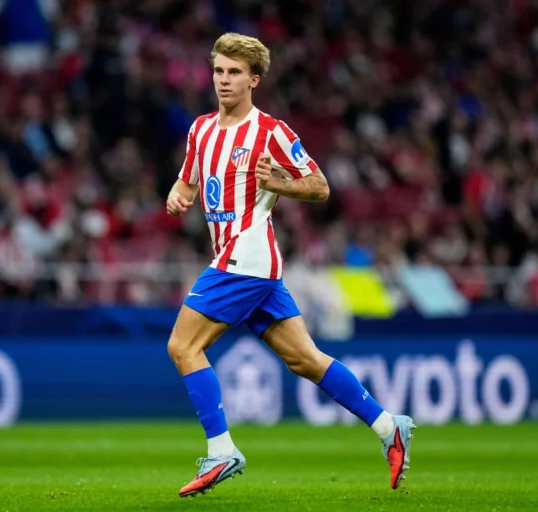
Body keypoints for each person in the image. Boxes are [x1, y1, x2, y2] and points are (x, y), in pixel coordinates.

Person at [165, 32, 415, 498]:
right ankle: (389, 427)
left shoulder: (272, 132)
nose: (224, 80)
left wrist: (282, 183)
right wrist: (179, 195)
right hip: (243, 262)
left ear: (253, 79)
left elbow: (319, 186)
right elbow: (187, 183)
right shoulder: (200, 130)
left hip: (248, 255)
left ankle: (222, 450)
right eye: (219, 70)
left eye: (234, 72)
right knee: (305, 359)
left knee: (182, 346)